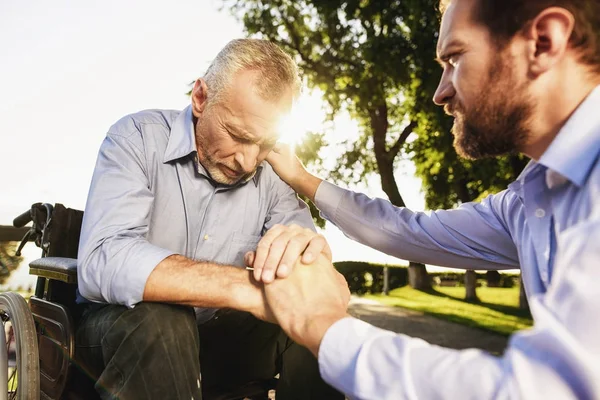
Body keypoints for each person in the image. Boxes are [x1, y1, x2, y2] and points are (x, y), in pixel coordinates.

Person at [250, 0, 600, 398]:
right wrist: (303, 179)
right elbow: (408, 232)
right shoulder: (530, 200)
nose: (440, 92)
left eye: (455, 58)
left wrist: (322, 328)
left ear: (543, 42)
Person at [75, 39, 343, 400]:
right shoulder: (136, 138)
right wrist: (244, 289)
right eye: (238, 136)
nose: (249, 162)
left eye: (265, 144)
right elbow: (103, 259)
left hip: (217, 343)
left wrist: (311, 266)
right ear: (201, 98)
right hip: (118, 334)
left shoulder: (272, 176)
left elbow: (325, 289)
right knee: (165, 321)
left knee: (318, 328)